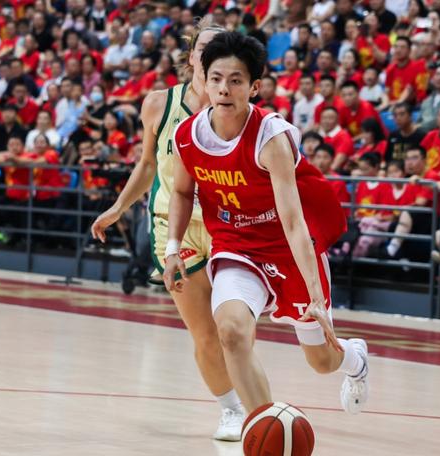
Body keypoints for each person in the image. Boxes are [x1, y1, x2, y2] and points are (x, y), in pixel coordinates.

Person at [164, 31, 369, 416]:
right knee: (230, 332)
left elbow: (293, 222)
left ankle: (355, 360)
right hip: (236, 247)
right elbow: (180, 192)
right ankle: (260, 427)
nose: (224, 89)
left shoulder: (270, 136)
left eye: (236, 80)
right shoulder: (188, 136)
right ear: (204, 81)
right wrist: (172, 248)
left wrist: (315, 295)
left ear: (254, 87)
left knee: (322, 361)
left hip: (287, 248)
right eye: (216, 79)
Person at [89, 21, 246, 441]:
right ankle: (231, 409)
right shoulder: (160, 103)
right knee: (205, 331)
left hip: (227, 225)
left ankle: (255, 398)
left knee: (234, 328)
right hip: (173, 227)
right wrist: (119, 207)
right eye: (206, 48)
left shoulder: (238, 109)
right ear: (192, 56)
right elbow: (147, 164)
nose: (213, 56)